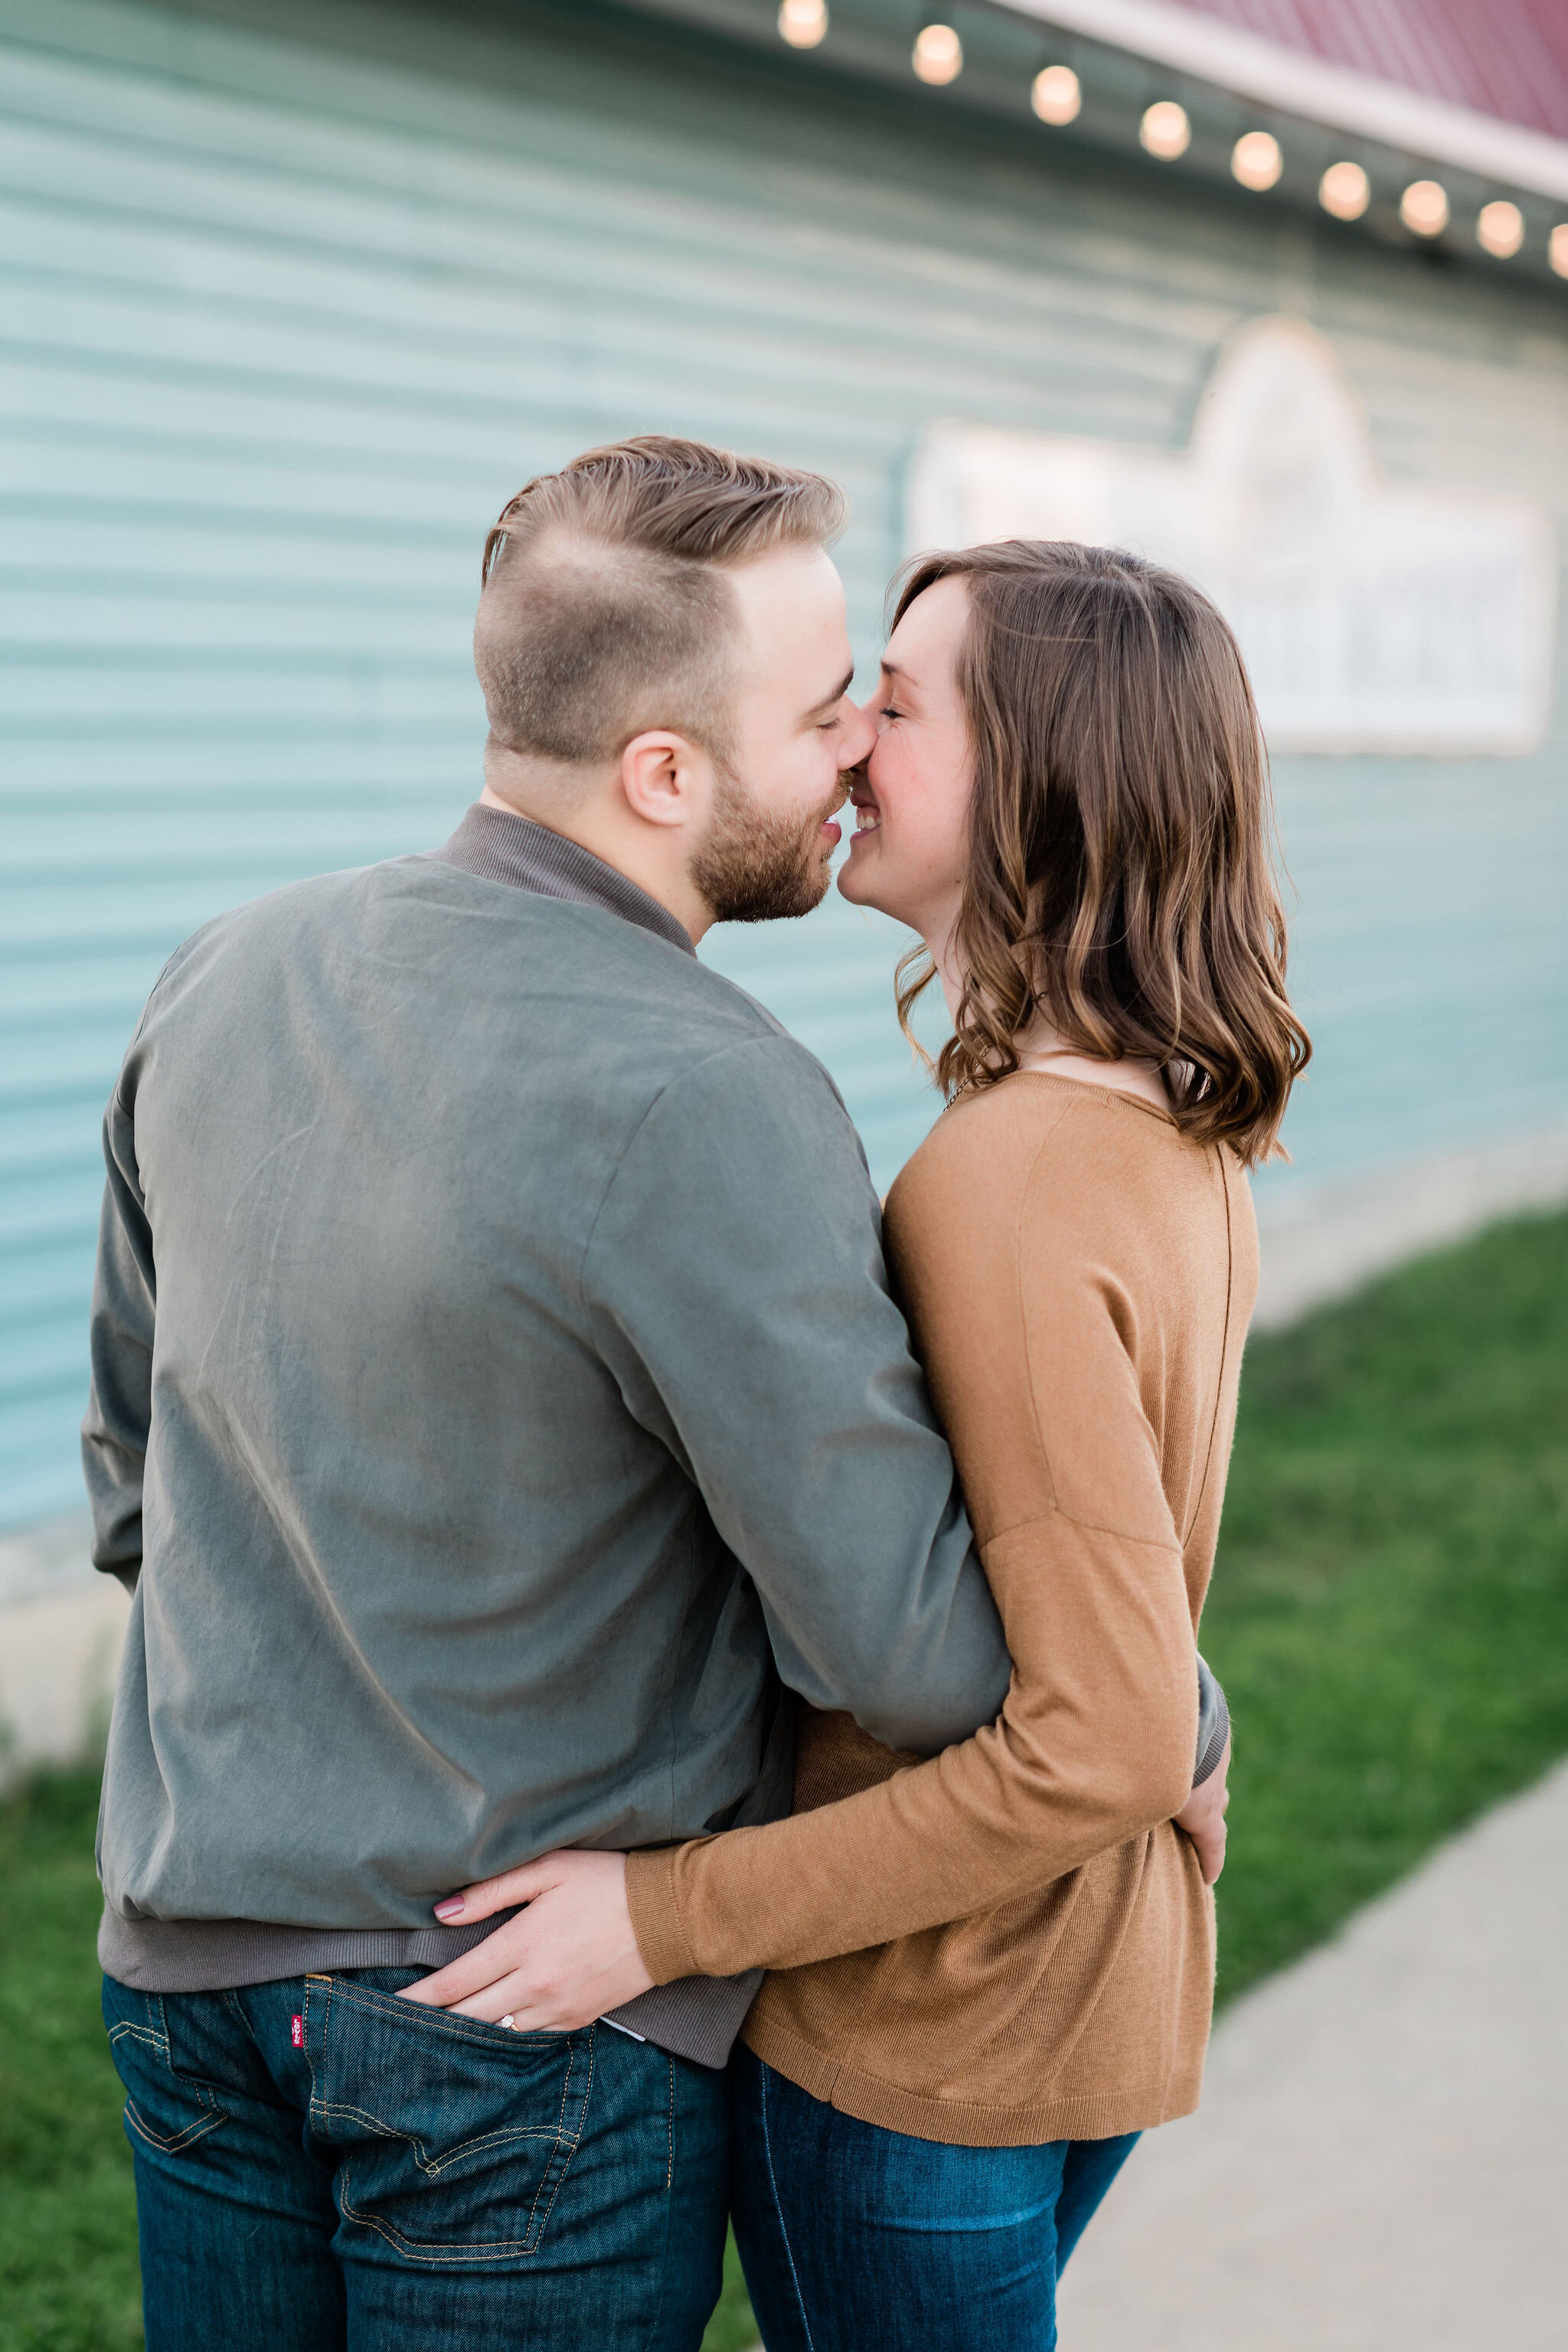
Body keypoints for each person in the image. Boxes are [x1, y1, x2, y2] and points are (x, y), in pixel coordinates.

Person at [85, 438, 1030, 2352]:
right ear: (666, 774)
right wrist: (1150, 1704)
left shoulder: (219, 970)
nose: (859, 745)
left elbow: (129, 1493)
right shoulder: (709, 1087)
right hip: (516, 2039)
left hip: (184, 1974)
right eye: (826, 703)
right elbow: (913, 1662)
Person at [415, 538, 1307, 2350]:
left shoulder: (1006, 1178)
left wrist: (667, 1920)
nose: (841, 748)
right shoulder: (1165, 1132)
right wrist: (1177, 1708)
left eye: (893, 708)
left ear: (1042, 777)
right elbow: (1116, 1623)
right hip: (1074, 1999)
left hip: (923, 2033)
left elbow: (1104, 1733)